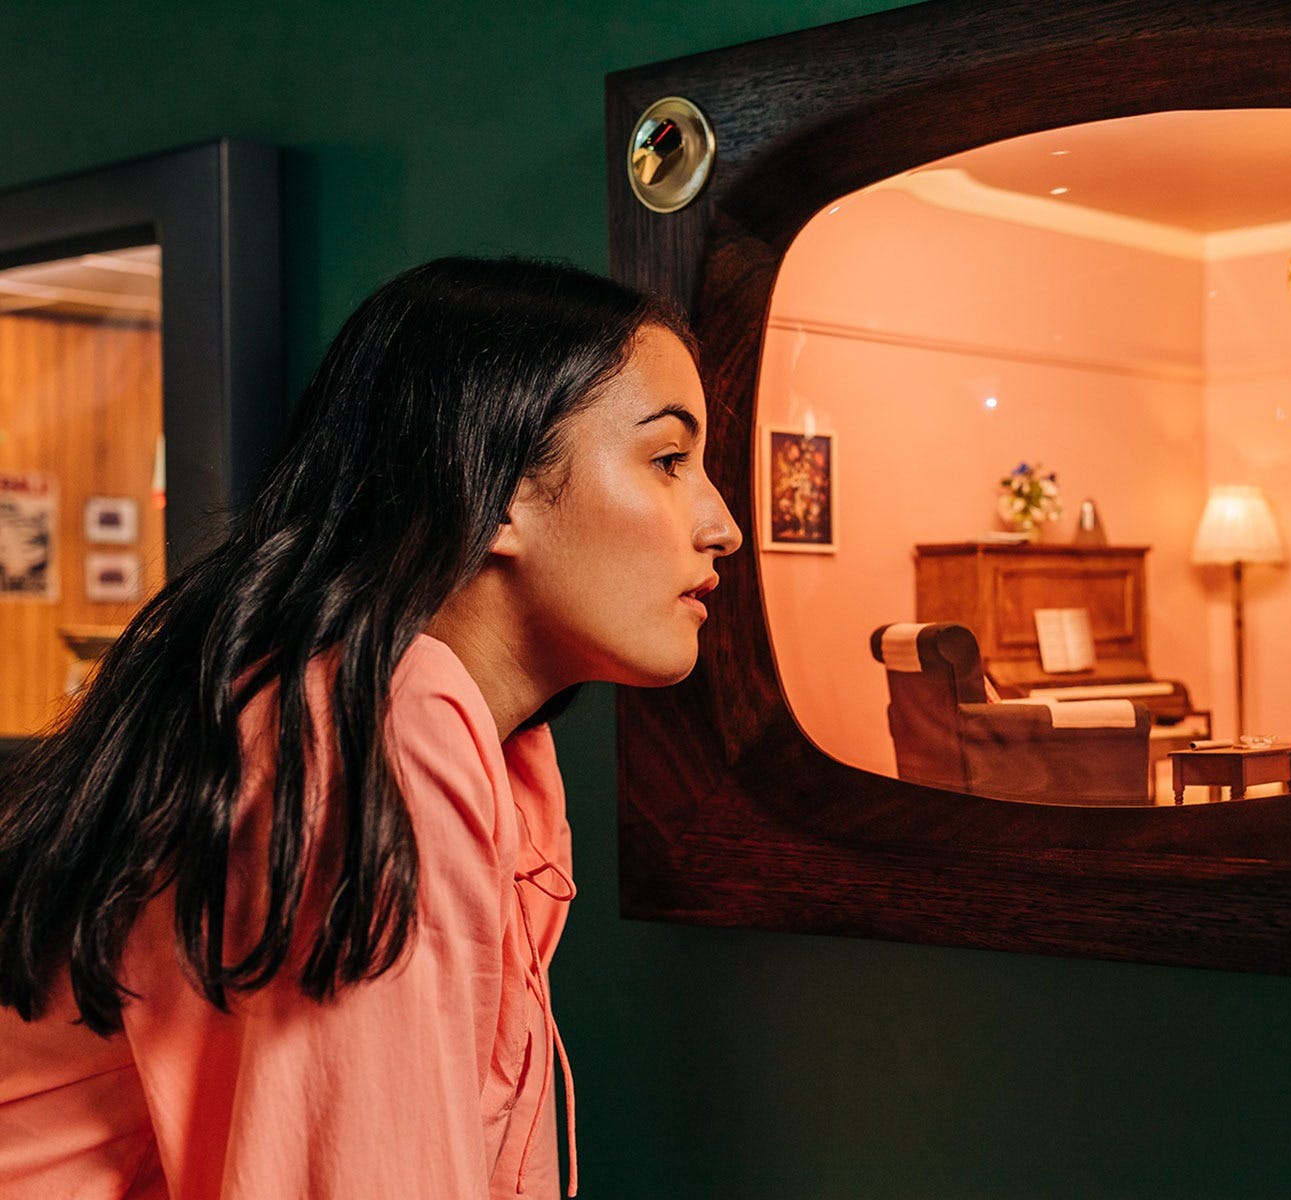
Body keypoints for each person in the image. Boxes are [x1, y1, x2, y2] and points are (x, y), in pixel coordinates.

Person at [0, 256, 742, 1199]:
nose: (722, 524)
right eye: (669, 460)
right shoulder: (377, 722)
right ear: (497, 486)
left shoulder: (486, 749)